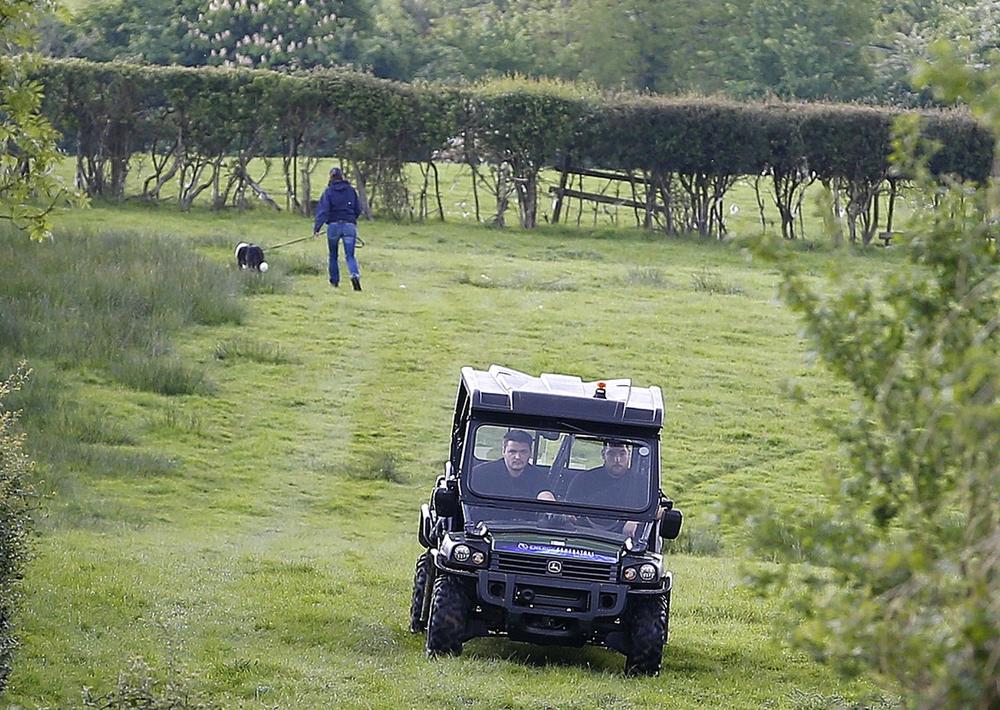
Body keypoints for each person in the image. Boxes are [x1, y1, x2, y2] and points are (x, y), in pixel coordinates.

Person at [565, 440, 649, 533]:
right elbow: (569, 511)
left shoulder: (642, 483)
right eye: (611, 454)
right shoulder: (583, 480)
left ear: (629, 454)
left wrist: (636, 521)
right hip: (583, 531)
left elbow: (659, 507)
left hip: (625, 537)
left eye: (622, 454)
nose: (617, 459)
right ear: (603, 455)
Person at [314, 166, 363, 291]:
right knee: (350, 255)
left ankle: (334, 281)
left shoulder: (328, 192)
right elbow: (358, 209)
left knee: (333, 255)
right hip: (349, 226)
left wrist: (317, 228)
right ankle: (354, 275)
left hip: (334, 226)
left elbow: (323, 211)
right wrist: (352, 219)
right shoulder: (351, 191)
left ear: (331, 177)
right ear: (342, 177)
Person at [472, 429, 552, 500]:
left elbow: (544, 493)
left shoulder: (537, 476)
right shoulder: (480, 474)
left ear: (530, 453)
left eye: (523, 452)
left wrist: (548, 498)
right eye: (512, 451)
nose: (517, 457)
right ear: (503, 452)